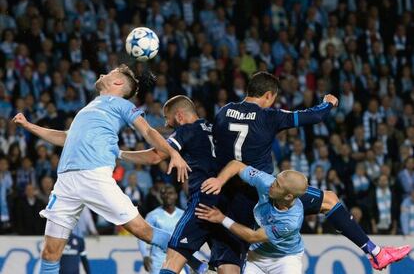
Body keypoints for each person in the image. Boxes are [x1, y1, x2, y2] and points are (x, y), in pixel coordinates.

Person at [209, 71, 410, 273]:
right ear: (269, 95)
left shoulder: (224, 111)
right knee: (330, 200)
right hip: (265, 192)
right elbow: (314, 116)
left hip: (228, 196)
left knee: (228, 267)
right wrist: (328, 102)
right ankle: (375, 253)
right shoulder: (269, 116)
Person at [12, 65, 191, 274]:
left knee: (143, 231)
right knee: (50, 253)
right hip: (65, 182)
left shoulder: (122, 105)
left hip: (95, 176)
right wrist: (28, 126)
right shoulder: (88, 107)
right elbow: (65, 137)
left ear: (118, 83)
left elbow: (148, 130)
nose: (102, 74)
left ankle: (194, 257)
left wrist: (175, 153)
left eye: (109, 73)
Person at [121, 96, 216, 274]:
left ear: (179, 116)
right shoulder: (217, 129)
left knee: (174, 251)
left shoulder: (186, 130)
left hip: (202, 201)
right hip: (226, 203)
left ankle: (199, 266)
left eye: (167, 118)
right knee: (226, 265)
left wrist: (119, 154)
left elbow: (154, 156)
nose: (166, 123)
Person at [196, 160, 308, 274]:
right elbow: (236, 165)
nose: (272, 184)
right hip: (256, 256)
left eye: (277, 185)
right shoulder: (267, 182)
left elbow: (253, 237)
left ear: (288, 196)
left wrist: (222, 219)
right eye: (275, 179)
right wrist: (219, 181)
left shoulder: (291, 221)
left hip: (285, 258)